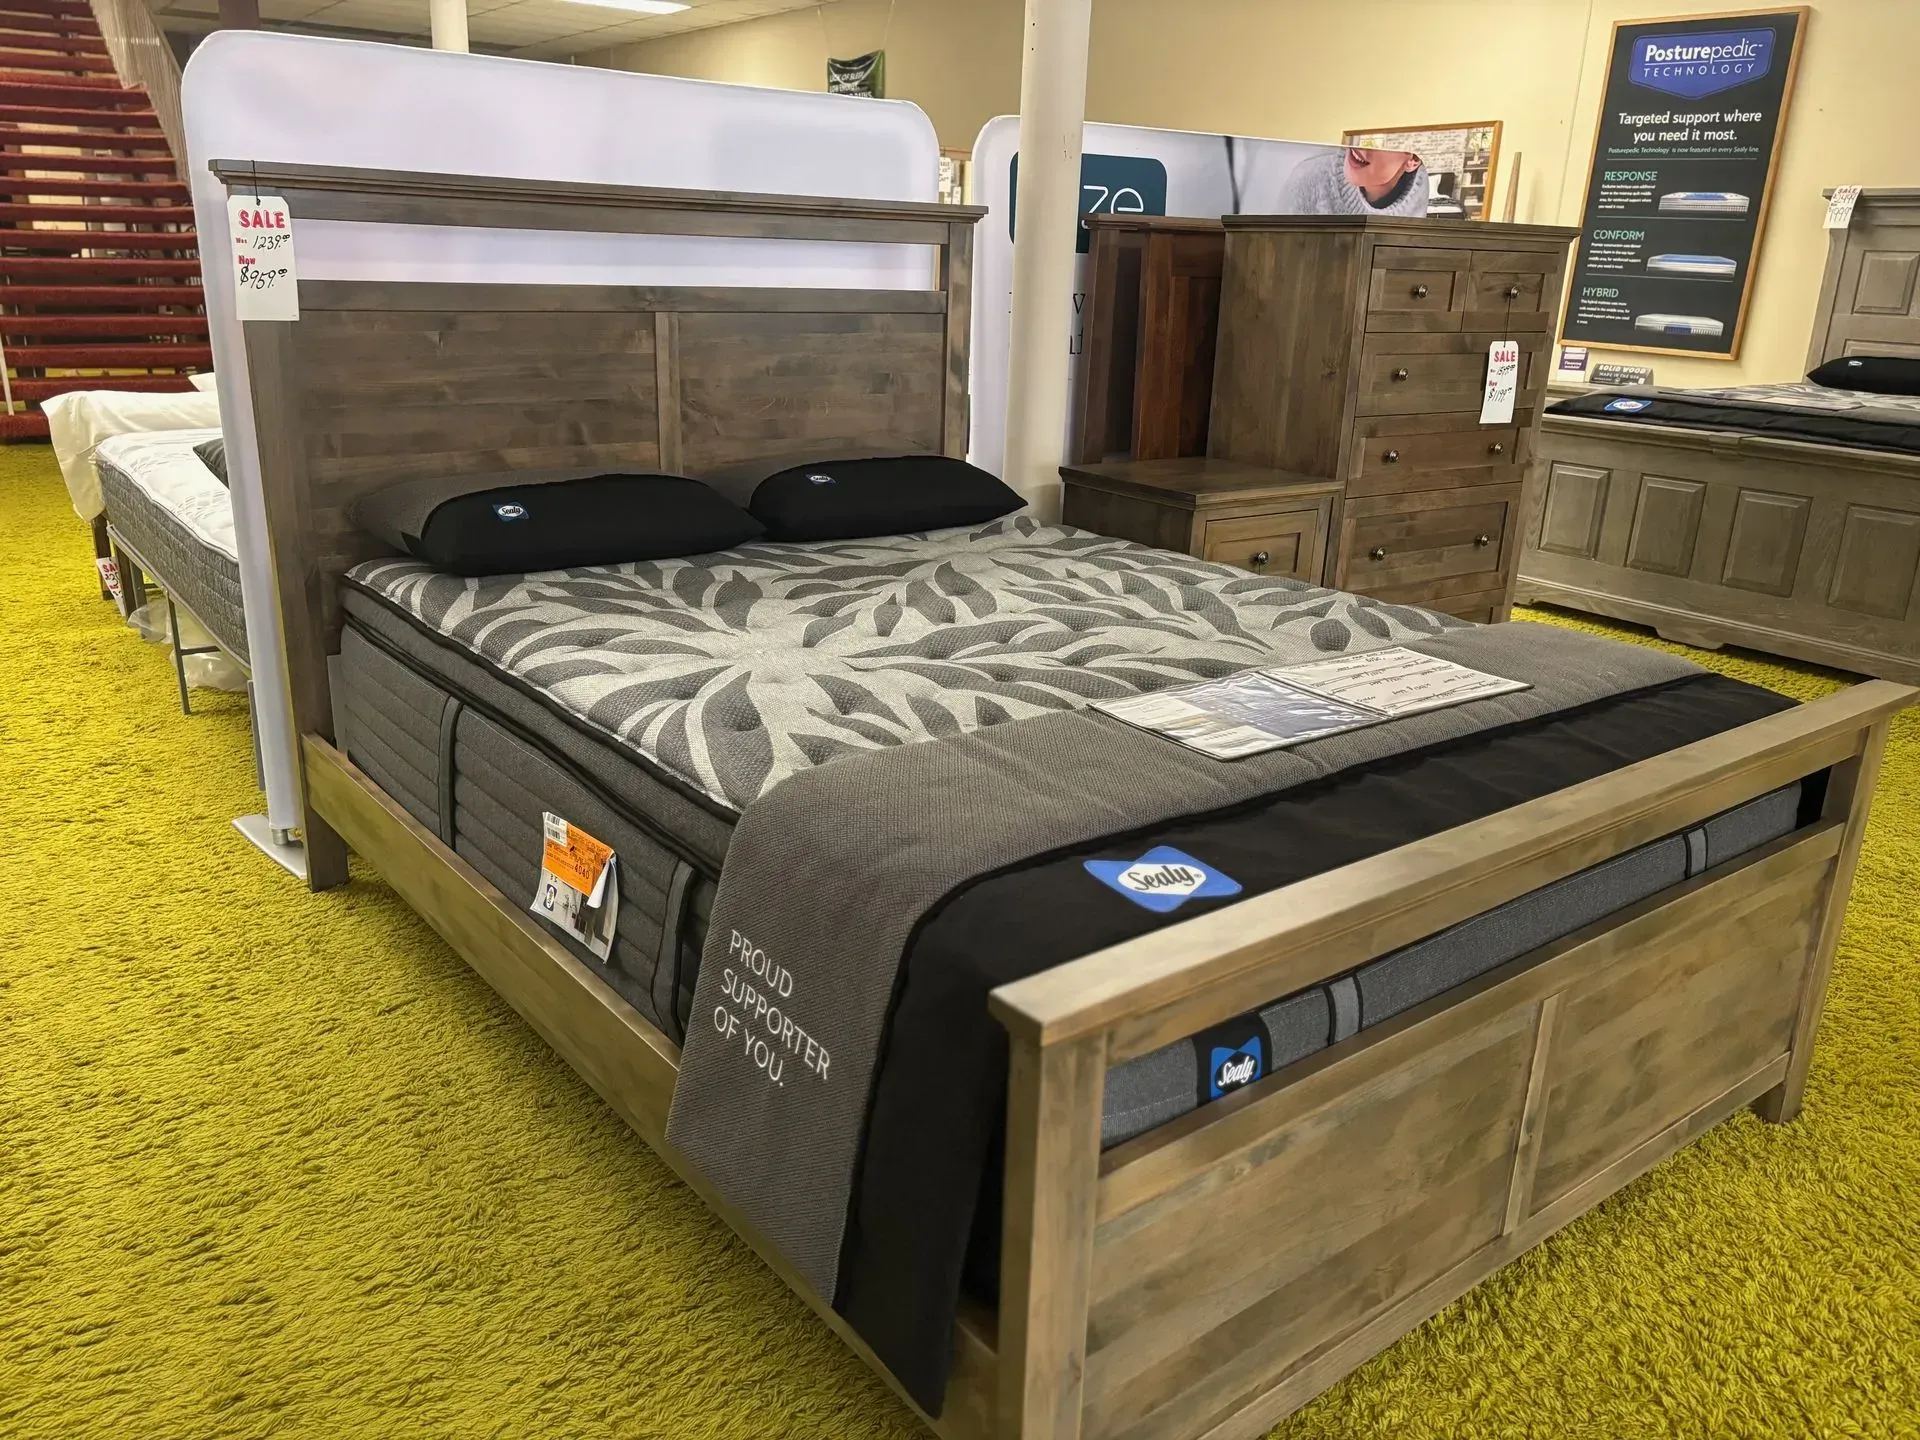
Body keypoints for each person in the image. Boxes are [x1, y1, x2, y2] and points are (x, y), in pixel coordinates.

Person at [1275, 146, 1429, 218]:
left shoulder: (1423, 202)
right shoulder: (1309, 180)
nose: (1359, 142)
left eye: (1381, 137)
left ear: (1413, 160)